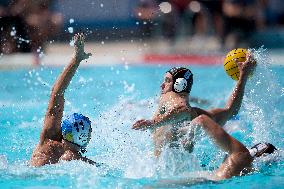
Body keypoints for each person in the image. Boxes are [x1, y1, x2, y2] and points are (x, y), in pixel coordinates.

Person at [132, 52, 256, 157]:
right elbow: (231, 110)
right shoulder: (178, 105)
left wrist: (153, 123)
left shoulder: (173, 101)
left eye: (167, 81)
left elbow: (183, 108)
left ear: (179, 85)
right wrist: (243, 77)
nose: (162, 85)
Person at [151, 115, 277, 187]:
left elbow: (202, 119)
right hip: (210, 182)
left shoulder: (241, 154)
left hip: (204, 180)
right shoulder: (250, 170)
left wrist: (189, 134)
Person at [30, 33, 98, 167]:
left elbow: (56, 93)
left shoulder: (49, 140)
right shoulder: (83, 162)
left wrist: (76, 59)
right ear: (87, 138)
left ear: (64, 131)